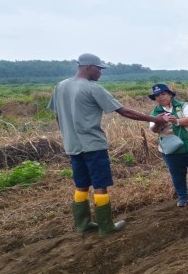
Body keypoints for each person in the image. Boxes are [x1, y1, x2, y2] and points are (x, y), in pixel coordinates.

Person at [48, 54, 171, 237]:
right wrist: (155, 119)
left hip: (72, 145)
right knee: (100, 184)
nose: (101, 73)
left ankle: (83, 224)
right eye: (99, 69)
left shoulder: (61, 86)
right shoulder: (92, 88)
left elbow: (58, 115)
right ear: (88, 67)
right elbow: (125, 111)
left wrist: (66, 134)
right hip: (93, 145)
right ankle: (106, 227)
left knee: (81, 185)